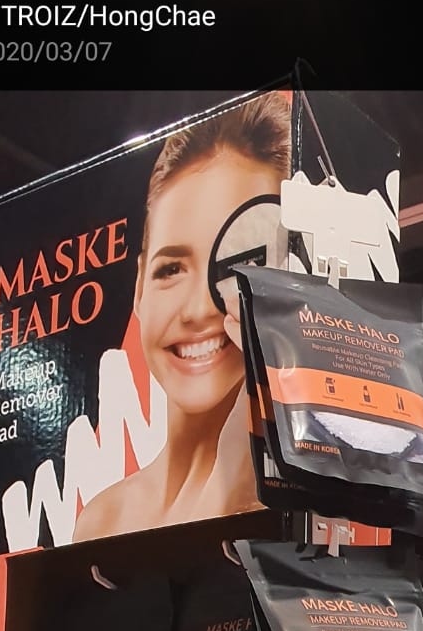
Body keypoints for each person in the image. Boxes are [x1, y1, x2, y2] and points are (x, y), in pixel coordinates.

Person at [73, 92, 292, 543]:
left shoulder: (301, 502)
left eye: (239, 265)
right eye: (171, 269)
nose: (197, 310)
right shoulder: (102, 519)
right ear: (140, 288)